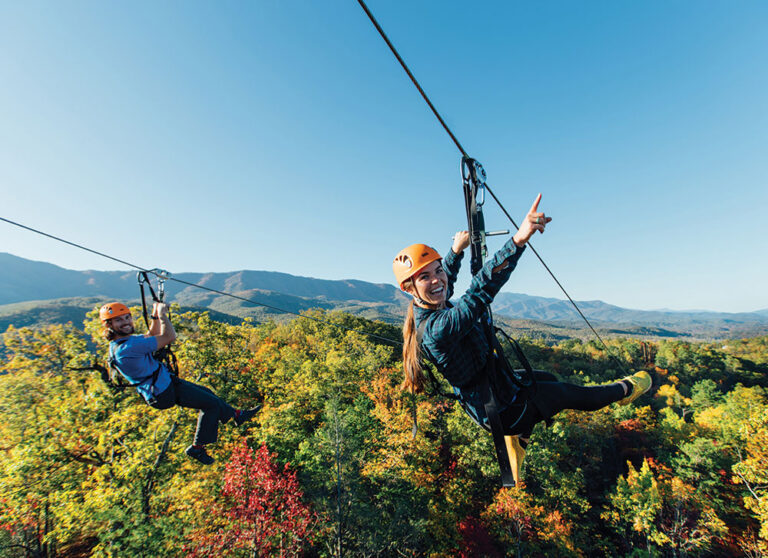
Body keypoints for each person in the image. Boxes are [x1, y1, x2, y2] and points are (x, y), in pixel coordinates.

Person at [393, 194, 651, 484]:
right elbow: (478, 293)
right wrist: (518, 240)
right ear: (409, 288)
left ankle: (517, 441)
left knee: (548, 379)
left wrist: (454, 253)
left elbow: (446, 282)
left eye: (437, 270)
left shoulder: (430, 306)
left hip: (496, 385)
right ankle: (626, 389)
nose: (437, 279)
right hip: (499, 409)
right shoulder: (435, 329)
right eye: (425, 277)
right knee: (570, 394)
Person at [99, 301, 259, 465]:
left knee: (207, 394)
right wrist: (162, 315)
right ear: (108, 324)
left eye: (127, 318)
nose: (126, 322)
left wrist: (155, 312)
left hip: (162, 384)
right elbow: (169, 337)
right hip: (162, 392)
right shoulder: (128, 347)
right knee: (210, 404)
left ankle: (237, 415)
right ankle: (197, 448)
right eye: (119, 320)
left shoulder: (120, 344)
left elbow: (151, 335)